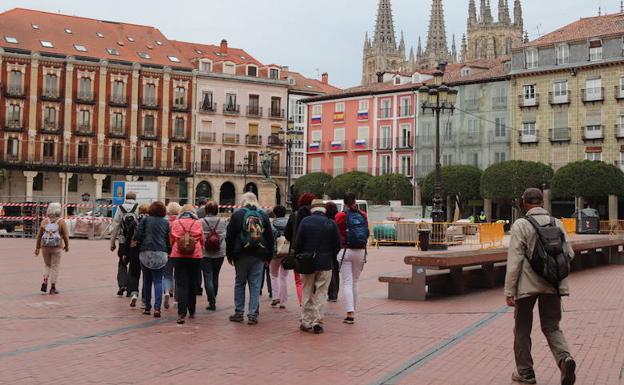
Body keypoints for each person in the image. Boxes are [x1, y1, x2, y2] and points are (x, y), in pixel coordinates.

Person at [505, 188, 576, 385]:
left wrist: (509, 291)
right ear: (542, 202)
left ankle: (525, 372)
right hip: (552, 285)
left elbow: (515, 261)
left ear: (524, 203)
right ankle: (565, 359)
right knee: (552, 327)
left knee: (522, 329)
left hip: (526, 287)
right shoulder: (557, 223)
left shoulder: (521, 224)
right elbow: (569, 254)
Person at [225, 192, 273, 325]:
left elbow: (229, 237)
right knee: (255, 284)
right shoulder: (263, 215)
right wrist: (269, 256)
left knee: (240, 282)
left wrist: (229, 255)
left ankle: (239, 312)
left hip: (241, 254)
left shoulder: (238, 214)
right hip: (259, 254)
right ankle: (252, 314)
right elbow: (270, 237)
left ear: (243, 201)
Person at [294, 199, 341, 334]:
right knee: (321, 292)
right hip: (325, 263)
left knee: (307, 291)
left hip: (307, 262)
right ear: (324, 210)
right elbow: (337, 245)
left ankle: (306, 321)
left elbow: (298, 243)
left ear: (312, 209)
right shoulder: (331, 223)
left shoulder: (305, 221)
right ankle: (317, 321)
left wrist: (301, 256)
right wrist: (329, 256)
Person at [335, 192, 369, 324]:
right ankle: (353, 309)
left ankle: (350, 313)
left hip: (345, 251)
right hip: (360, 251)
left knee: (347, 283)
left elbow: (336, 231)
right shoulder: (363, 215)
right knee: (355, 282)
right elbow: (367, 232)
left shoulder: (341, 216)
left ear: (344, 203)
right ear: (355, 201)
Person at [132, 201, 170, 318]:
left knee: (147, 281)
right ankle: (157, 308)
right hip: (161, 252)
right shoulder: (165, 222)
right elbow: (168, 238)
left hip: (146, 251)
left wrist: (138, 241)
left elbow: (137, 234)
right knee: (158, 280)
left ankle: (147, 307)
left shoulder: (146, 220)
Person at [170, 204, 205, 324]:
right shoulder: (197, 222)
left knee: (181, 284)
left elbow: (171, 239)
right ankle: (192, 309)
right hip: (195, 255)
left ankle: (181, 313)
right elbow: (202, 239)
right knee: (193, 282)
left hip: (178, 255)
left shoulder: (175, 223)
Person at [285, 193, 316, 305]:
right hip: (314, 252)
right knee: (313, 280)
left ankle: (303, 304)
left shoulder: (295, 215)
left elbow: (287, 234)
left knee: (299, 281)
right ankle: (313, 303)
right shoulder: (316, 216)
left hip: (298, 252)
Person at [34, 202, 69, 294]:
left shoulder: (44, 221)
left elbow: (39, 235)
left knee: (47, 265)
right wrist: (67, 246)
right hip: (56, 247)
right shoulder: (61, 222)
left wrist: (37, 248)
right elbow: (65, 236)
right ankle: (53, 288)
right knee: (55, 266)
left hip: (45, 247)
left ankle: (45, 279)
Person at [200, 201, 228, 311]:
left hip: (205, 252)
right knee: (215, 275)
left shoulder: (201, 221)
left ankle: (211, 300)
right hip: (219, 252)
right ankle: (213, 297)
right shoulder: (223, 221)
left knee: (207, 276)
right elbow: (225, 235)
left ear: (206, 210)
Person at [110, 192, 139, 297]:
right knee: (133, 264)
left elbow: (115, 226)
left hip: (122, 241)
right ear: (135, 198)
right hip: (134, 242)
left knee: (122, 263)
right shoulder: (138, 208)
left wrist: (112, 243)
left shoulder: (120, 208)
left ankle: (122, 284)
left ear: (125, 198)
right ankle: (131, 289)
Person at [127, 204, 149, 308]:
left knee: (134, 273)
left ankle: (134, 293)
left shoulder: (134, 222)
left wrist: (125, 253)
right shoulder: (150, 222)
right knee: (146, 276)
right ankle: (144, 301)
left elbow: (128, 238)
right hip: (146, 250)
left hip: (135, 251)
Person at [269, 205, 289, 308]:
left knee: (273, 275)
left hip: (275, 253)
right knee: (284, 277)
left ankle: (275, 297)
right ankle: (283, 301)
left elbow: (269, 239)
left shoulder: (272, 224)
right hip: (286, 252)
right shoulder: (290, 223)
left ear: (275, 214)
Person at [164, 202, 181, 308]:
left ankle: (167, 291)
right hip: (177, 250)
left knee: (167, 274)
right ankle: (176, 298)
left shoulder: (165, 222)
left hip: (166, 250)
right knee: (178, 275)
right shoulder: (179, 222)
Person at [325, 201, 340, 302]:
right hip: (336, 249)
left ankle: (332, 293)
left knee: (329, 271)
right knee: (336, 271)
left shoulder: (326, 221)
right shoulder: (337, 219)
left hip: (327, 249)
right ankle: (335, 293)